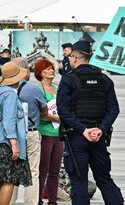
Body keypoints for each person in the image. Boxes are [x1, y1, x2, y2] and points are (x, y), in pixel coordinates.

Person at [56, 40, 124, 205]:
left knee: (79, 183)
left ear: (74, 58)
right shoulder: (104, 79)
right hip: (98, 137)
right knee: (104, 180)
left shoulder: (68, 80)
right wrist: (100, 129)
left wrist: (82, 129)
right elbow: (113, 109)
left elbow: (63, 110)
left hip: (77, 137)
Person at [9, 58, 49, 205]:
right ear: (25, 71)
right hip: (30, 133)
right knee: (33, 171)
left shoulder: (4, 89)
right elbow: (44, 112)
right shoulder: (33, 89)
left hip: (10, 136)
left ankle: (8, 202)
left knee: (11, 172)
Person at [0, 61, 32, 204]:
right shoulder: (9, 95)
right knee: (9, 179)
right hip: (5, 143)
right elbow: (9, 121)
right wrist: (14, 143)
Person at [34, 59, 64, 205]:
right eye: (48, 69)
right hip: (44, 134)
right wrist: (60, 119)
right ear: (40, 73)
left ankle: (53, 201)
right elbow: (41, 114)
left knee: (55, 171)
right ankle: (38, 200)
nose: (52, 71)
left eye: (52, 68)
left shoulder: (58, 89)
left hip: (59, 135)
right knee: (42, 171)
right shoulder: (38, 89)